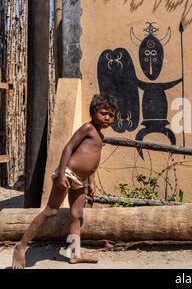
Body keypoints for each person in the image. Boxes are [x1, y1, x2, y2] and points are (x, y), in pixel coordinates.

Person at [11, 93, 118, 269]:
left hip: (81, 180)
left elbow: (92, 162)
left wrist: (91, 182)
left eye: (111, 115)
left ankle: (75, 254)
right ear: (93, 113)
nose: (107, 117)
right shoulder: (88, 129)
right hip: (68, 174)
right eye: (103, 113)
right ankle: (21, 246)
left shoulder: (100, 136)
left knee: (77, 215)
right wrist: (61, 174)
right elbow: (68, 147)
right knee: (51, 211)